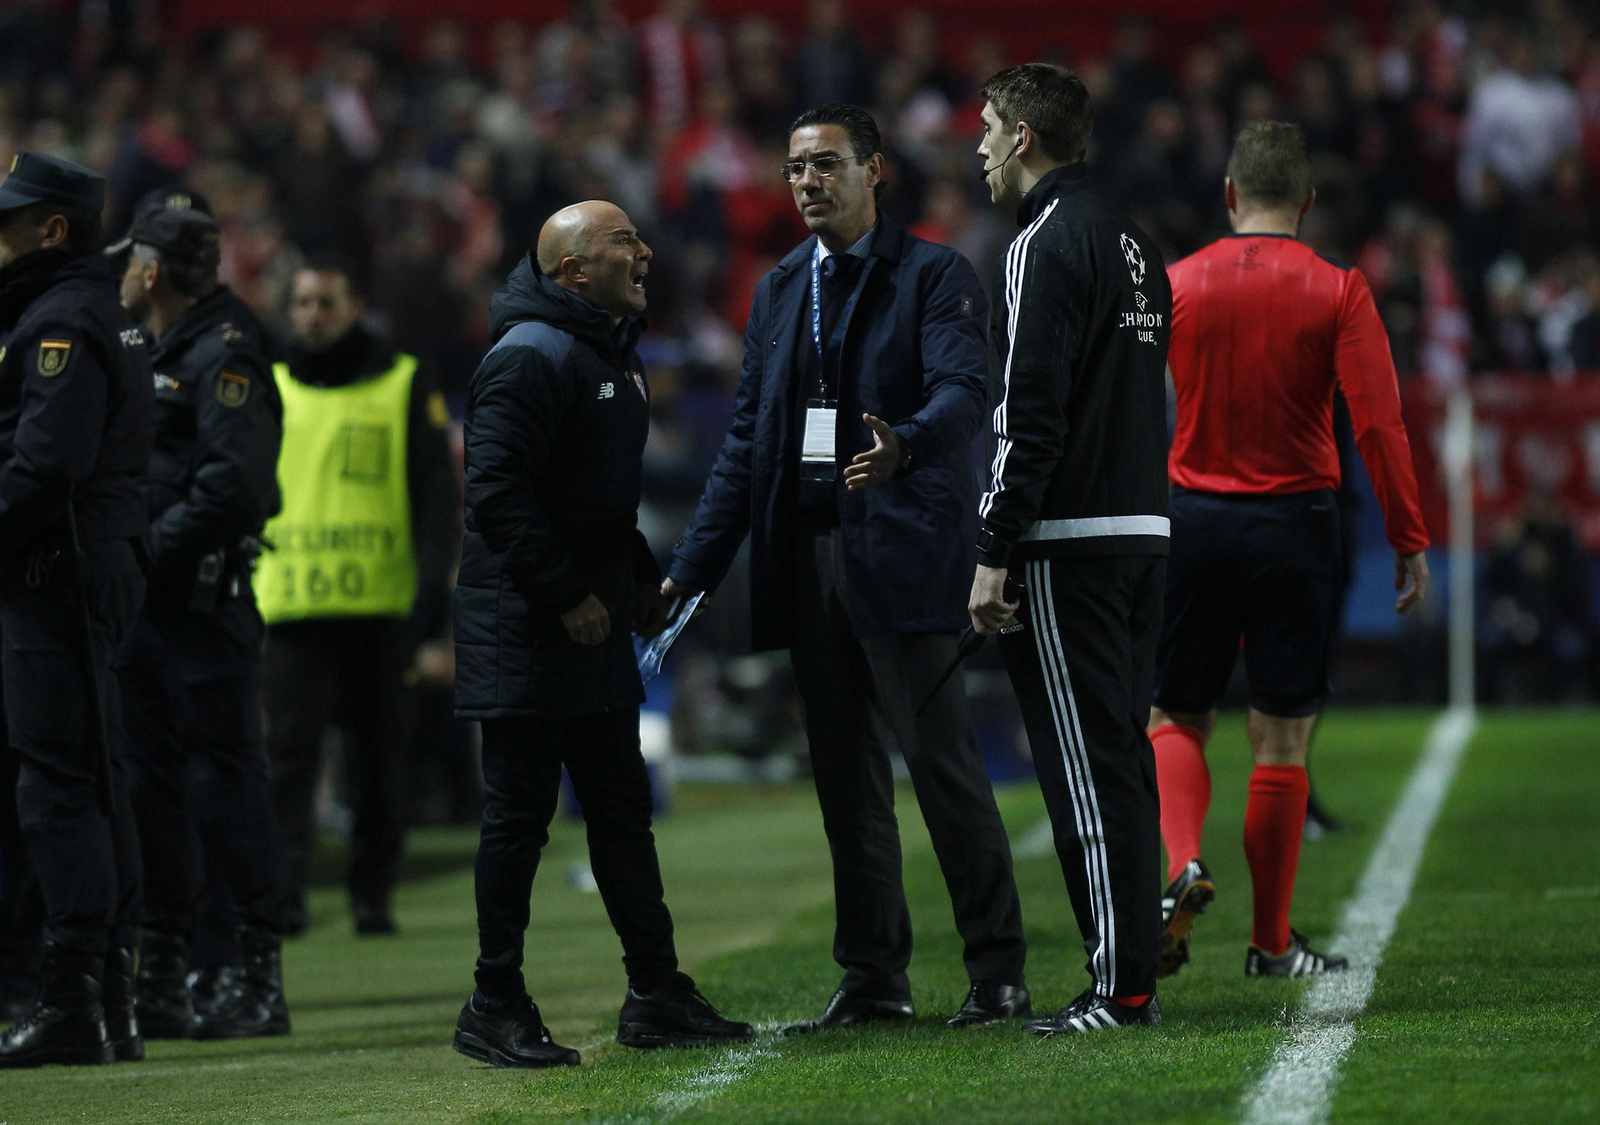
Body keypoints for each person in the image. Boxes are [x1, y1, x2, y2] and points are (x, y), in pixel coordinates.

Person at [665, 103, 1030, 1033]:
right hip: (810, 554)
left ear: (876, 172)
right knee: (845, 781)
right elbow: (749, 438)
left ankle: (997, 974)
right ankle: (874, 977)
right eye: (795, 169)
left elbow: (964, 392)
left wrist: (903, 442)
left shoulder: (934, 275)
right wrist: (694, 567)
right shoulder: (783, 285)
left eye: (826, 164)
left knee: (941, 768)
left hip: (902, 551)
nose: (807, 182)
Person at [451, 201, 752, 1068]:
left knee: (622, 811)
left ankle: (655, 990)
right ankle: (493, 1000)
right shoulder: (529, 357)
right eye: (624, 240)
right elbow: (497, 494)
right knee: (519, 819)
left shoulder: (602, 350)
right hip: (526, 626)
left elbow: (590, 497)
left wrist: (631, 581)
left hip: (587, 623)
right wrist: (566, 594)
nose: (645, 250)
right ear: (574, 270)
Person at [1150, 122, 1430, 980]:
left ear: (1230, 195)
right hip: (1297, 527)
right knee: (1282, 738)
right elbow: (1378, 422)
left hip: (1192, 520)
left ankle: (1182, 862)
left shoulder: (1175, 284)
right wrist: (1408, 537)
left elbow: (1122, 411)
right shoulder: (1339, 289)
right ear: (1307, 203)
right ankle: (1271, 944)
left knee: (1173, 716)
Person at [968, 64, 1172, 1035]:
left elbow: (1029, 412)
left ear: (1021, 138)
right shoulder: (1136, 243)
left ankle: (1118, 990)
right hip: (1141, 531)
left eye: (984, 129)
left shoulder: (1042, 240)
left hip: (1070, 542)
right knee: (1122, 762)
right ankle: (1132, 970)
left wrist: (993, 544)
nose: (975, 149)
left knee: (1087, 775)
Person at [112, 205, 291, 1039]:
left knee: (225, 786)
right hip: (152, 611)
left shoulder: (227, 350)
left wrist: (144, 553)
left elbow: (235, 485)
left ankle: (254, 972)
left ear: (150, 270)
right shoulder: (160, 343)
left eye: (129, 260)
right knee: (154, 789)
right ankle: (175, 969)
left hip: (199, 607)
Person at [0, 152, 155, 1067]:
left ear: (50, 230)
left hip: (56, 568)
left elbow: (45, 465)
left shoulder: (59, 319)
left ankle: (74, 1004)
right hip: (79, 561)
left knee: (61, 786)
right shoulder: (87, 310)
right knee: (93, 777)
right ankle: (110, 1002)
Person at [254, 253, 458, 937]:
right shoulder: (269, 381)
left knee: (379, 763)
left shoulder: (400, 381)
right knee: (289, 761)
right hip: (291, 606)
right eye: (303, 304)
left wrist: (431, 592)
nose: (312, 316)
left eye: (325, 303)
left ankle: (372, 894)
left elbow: (436, 498)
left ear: (354, 307)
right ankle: (285, 895)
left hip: (381, 606)